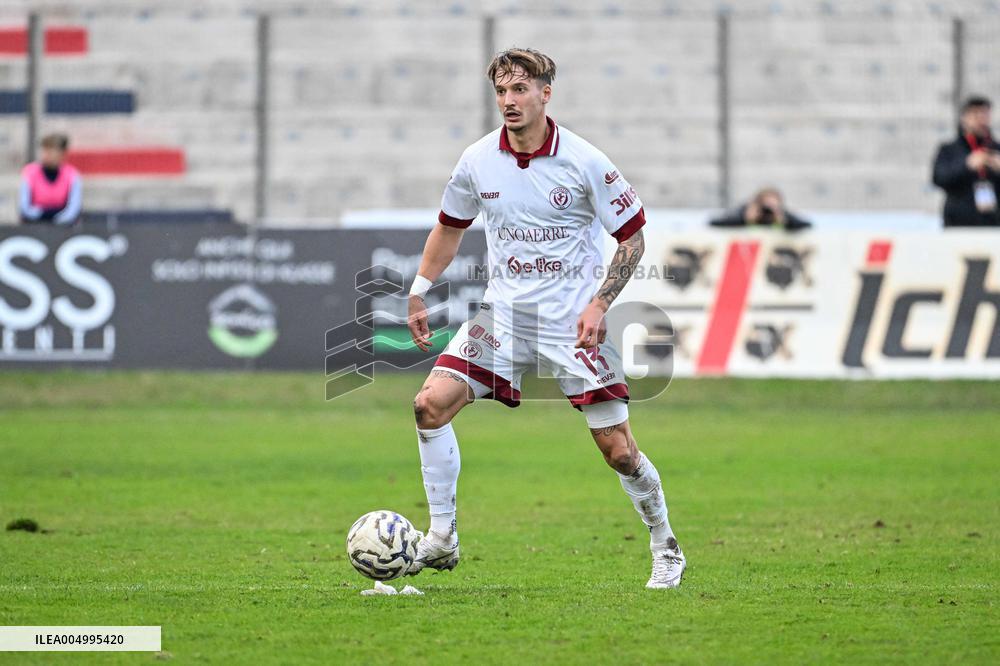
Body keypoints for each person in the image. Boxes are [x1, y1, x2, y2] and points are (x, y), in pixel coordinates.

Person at [404, 48, 685, 589]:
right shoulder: (477, 160)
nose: (509, 102)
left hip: (571, 324)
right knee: (429, 406)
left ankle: (664, 543)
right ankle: (441, 538)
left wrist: (600, 303)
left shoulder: (585, 161)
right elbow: (449, 226)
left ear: (545, 93)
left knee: (620, 453)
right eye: (501, 92)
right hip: (503, 317)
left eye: (519, 90)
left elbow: (631, 237)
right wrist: (419, 289)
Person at [932, 95, 1000, 227]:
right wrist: (966, 165)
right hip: (958, 223)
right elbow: (939, 178)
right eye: (976, 115)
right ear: (964, 118)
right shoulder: (950, 150)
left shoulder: (996, 149)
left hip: (993, 223)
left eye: (985, 115)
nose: (981, 120)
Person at [19, 133, 82, 225]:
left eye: (51, 151)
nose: (46, 155)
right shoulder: (29, 172)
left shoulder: (72, 175)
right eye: (45, 150)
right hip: (34, 226)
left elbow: (73, 209)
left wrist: (57, 219)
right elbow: (24, 208)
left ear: (62, 154)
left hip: (64, 228)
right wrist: (43, 214)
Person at [709, 187, 811, 231]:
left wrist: (785, 221)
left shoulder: (782, 215)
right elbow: (715, 222)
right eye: (765, 204)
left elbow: (807, 225)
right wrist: (743, 218)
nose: (767, 210)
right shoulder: (745, 212)